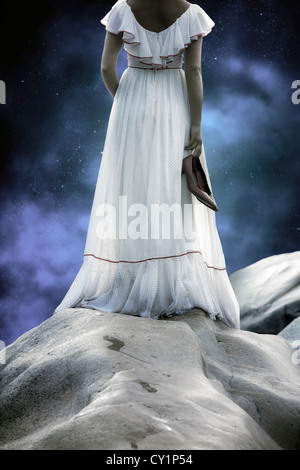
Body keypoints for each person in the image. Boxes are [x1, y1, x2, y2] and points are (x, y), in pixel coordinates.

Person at [54, 0, 240, 329]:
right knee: (172, 188)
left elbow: (107, 68)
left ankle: (132, 275)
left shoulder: (124, 9)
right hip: (174, 102)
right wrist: (195, 125)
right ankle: (168, 281)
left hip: (132, 98)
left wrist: (126, 104)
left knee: (131, 188)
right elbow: (194, 71)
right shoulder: (191, 13)